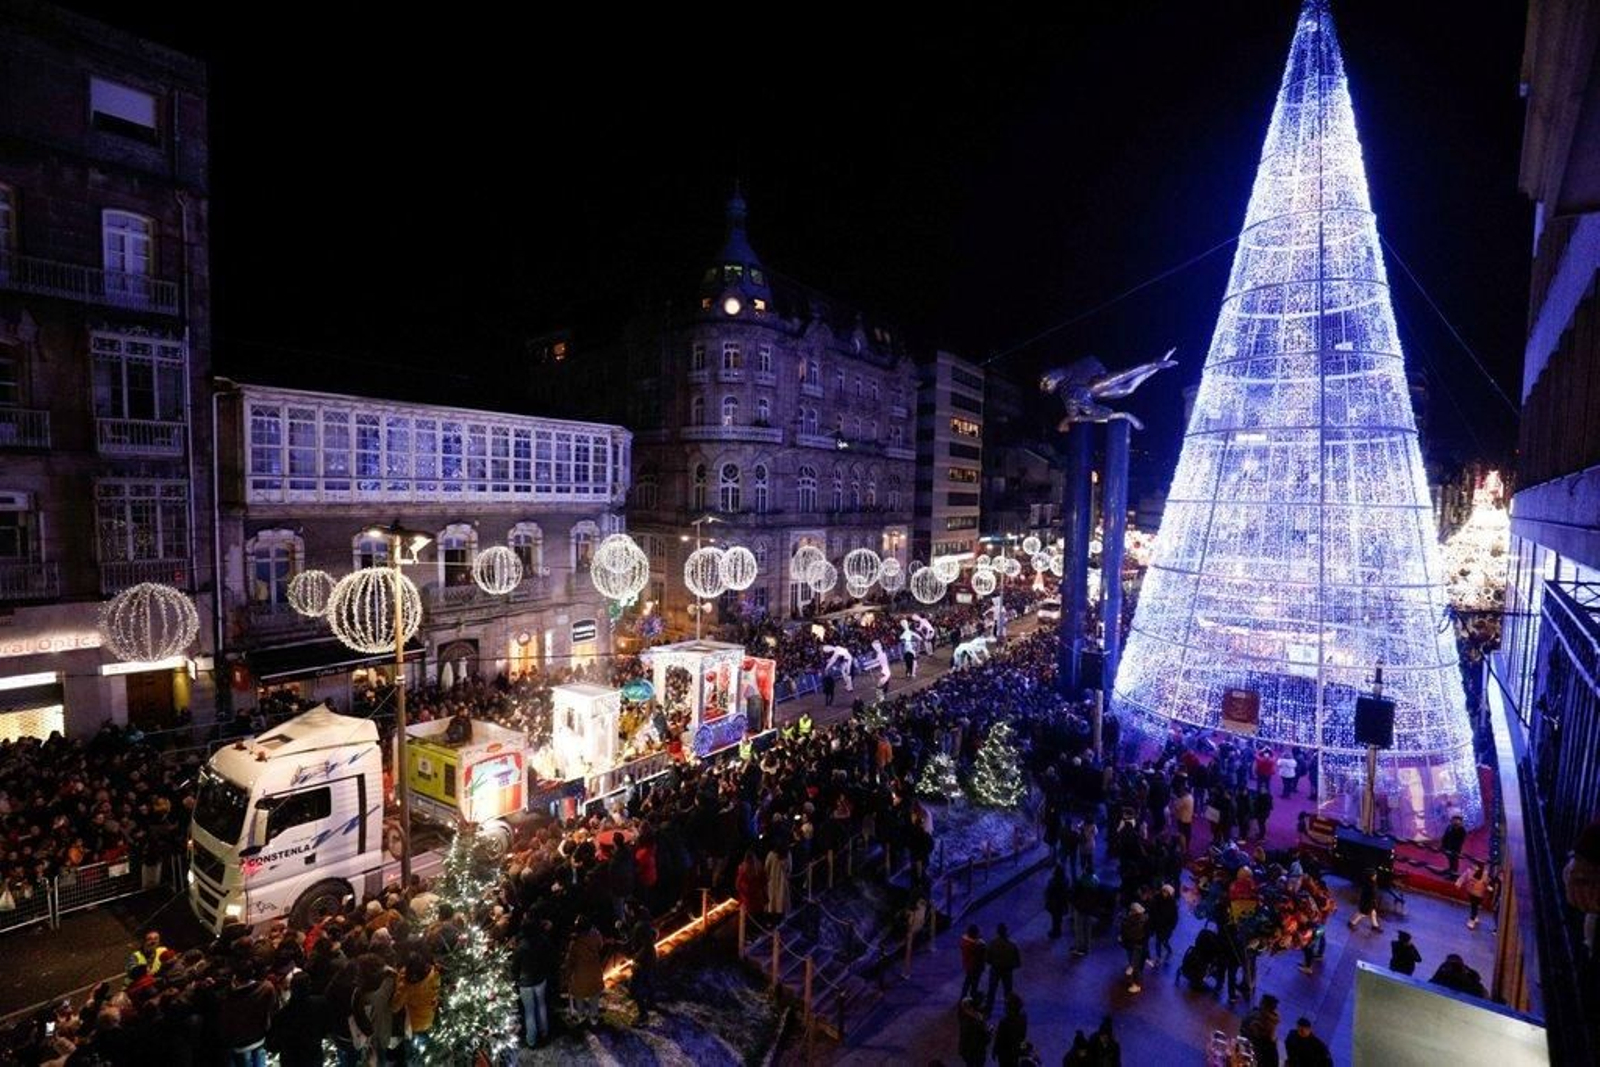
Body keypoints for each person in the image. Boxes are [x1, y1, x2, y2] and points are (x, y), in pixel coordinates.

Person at [391, 951, 440, 1060]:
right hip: (429, 1018)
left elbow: (394, 1007)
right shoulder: (434, 973)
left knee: (410, 1051)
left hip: (413, 1024)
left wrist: (400, 977)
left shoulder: (407, 987)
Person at [515, 917, 555, 1048]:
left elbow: (515, 966)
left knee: (529, 1011)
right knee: (542, 1006)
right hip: (540, 979)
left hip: (525, 982)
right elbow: (549, 958)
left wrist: (515, 978)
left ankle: (531, 1039)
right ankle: (544, 1032)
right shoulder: (543, 941)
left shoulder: (521, 947)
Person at [563, 916, 606, 1026]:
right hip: (594, 971)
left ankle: (581, 1015)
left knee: (579, 996)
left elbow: (570, 961)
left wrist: (567, 976)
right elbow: (601, 946)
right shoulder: (596, 935)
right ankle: (593, 1017)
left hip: (579, 975)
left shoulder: (574, 944)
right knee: (594, 996)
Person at [985, 922, 1021, 1013]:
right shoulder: (1012, 945)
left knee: (991, 990)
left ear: (997, 932)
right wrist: (1010, 965)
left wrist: (995, 962)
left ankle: (988, 1010)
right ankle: (1009, 1010)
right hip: (1007, 971)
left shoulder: (992, 944)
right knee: (1008, 991)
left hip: (995, 969)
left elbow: (987, 959)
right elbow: (1017, 962)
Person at [1239, 992, 1282, 1067]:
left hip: (1257, 1053)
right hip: (1250, 1049)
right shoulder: (1256, 1015)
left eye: (1262, 1003)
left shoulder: (1268, 1023)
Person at [1118, 902, 1148, 992]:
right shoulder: (1137, 919)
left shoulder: (1137, 921)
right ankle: (1135, 983)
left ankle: (1136, 985)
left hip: (1135, 945)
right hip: (1133, 944)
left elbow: (1133, 933)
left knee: (1135, 966)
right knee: (1134, 963)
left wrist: (1123, 937)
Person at [1070, 869, 1100, 957]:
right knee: (1087, 928)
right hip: (1090, 909)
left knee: (1079, 928)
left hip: (1080, 908)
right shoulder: (1096, 881)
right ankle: (1087, 947)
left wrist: (1074, 903)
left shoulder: (1081, 881)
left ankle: (1079, 948)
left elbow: (1074, 894)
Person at [994, 992, 1028, 1067]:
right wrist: (1023, 1050)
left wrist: (995, 1051)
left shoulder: (1004, 1022)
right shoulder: (1023, 1019)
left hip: (1005, 1054)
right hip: (1016, 1051)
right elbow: (1022, 1037)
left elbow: (999, 1039)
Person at [1149, 883, 1179, 964]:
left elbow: (1175, 917)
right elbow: (1152, 911)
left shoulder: (1172, 904)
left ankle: (1168, 949)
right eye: (1163, 891)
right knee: (1158, 942)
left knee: (1164, 941)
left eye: (1166, 892)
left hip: (1166, 928)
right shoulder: (1157, 899)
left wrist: (1171, 927)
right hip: (1157, 925)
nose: (1164, 893)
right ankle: (1158, 957)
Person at [956, 996, 990, 1067]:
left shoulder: (964, 1018)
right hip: (976, 1051)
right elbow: (985, 1037)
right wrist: (988, 1033)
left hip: (969, 1051)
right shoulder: (975, 1021)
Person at [1458, 862, 1491, 930]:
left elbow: (1486, 882)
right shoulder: (1470, 871)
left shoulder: (1484, 874)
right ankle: (1473, 918)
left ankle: (1473, 919)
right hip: (1471, 892)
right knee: (1474, 906)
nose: (1475, 868)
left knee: (1474, 906)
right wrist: (1459, 883)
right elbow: (1464, 876)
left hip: (1479, 894)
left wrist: (1488, 887)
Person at [958, 923, 986, 1002]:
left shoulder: (964, 942)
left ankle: (963, 997)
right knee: (974, 984)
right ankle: (972, 998)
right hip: (976, 967)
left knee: (967, 982)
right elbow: (982, 955)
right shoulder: (977, 946)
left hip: (967, 965)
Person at [1045, 863, 1070, 939]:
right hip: (1062, 903)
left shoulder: (1052, 882)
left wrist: (1047, 902)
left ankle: (1056, 932)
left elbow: (1048, 893)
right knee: (1059, 918)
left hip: (1054, 903)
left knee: (1055, 918)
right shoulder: (1066, 880)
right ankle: (1058, 931)